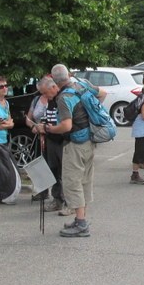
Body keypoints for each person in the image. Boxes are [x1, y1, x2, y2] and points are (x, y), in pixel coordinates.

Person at [46, 64, 106, 237]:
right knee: (85, 180)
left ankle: (80, 224)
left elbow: (66, 126)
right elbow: (103, 93)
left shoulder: (64, 97)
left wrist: (49, 129)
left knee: (72, 182)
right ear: (67, 75)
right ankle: (82, 218)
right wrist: (91, 113)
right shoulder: (82, 84)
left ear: (53, 78)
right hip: (89, 139)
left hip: (75, 144)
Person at [25, 76, 70, 215]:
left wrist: (48, 128)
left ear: (53, 87)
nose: (44, 96)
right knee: (54, 170)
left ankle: (70, 202)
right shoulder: (50, 100)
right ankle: (57, 200)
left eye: (45, 92)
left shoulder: (62, 99)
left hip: (64, 140)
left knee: (67, 172)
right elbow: (47, 117)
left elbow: (65, 122)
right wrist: (40, 127)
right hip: (50, 140)